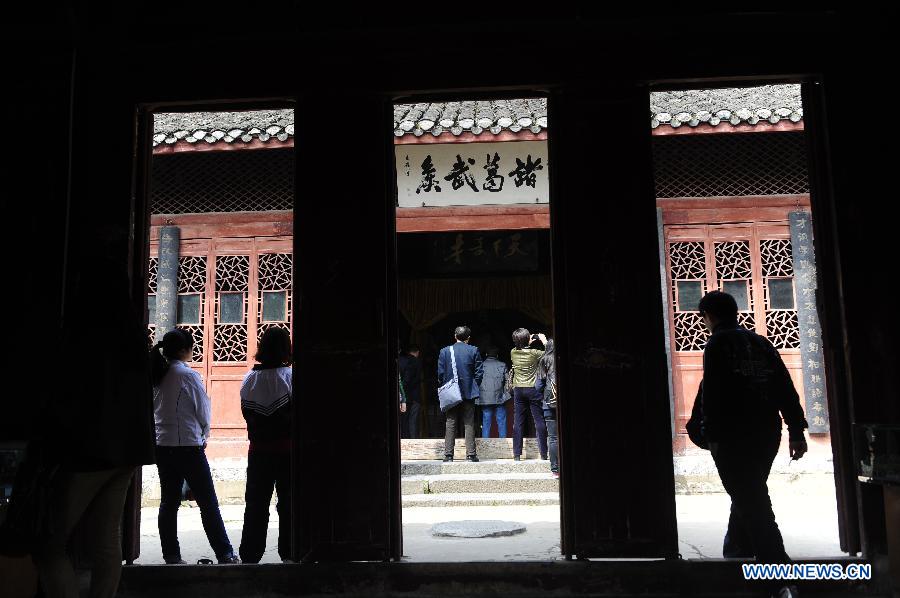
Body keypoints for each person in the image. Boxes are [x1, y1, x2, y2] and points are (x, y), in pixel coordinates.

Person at [32, 226, 156, 598]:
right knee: (106, 540)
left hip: (87, 453)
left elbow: (69, 398)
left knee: (48, 544)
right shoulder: (134, 340)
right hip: (125, 454)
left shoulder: (84, 338)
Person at [690, 291, 808, 598]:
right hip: (767, 434)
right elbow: (784, 384)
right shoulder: (761, 342)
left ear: (708, 317)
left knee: (755, 504)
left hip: (732, 437)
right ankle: (736, 551)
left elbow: (715, 391)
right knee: (749, 493)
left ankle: (782, 579)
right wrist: (796, 429)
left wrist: (709, 434)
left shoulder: (717, 343)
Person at [151, 328, 239, 565]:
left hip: (163, 445)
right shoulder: (187, 375)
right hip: (188, 446)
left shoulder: (158, 373)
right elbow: (203, 410)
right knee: (207, 502)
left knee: (168, 503)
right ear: (184, 350)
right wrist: (204, 435)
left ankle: (171, 555)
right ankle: (225, 554)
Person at [238, 327, 292, 564]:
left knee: (256, 505)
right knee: (289, 504)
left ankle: (250, 554)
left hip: (258, 453)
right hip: (288, 453)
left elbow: (247, 415)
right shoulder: (290, 377)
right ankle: (290, 551)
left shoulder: (249, 379)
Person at [437, 326, 484, 462]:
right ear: (468, 338)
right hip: (469, 391)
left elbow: (440, 374)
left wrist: (446, 385)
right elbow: (479, 373)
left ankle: (448, 455)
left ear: (455, 336)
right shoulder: (473, 350)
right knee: (469, 422)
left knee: (450, 422)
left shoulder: (444, 351)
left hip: (451, 393)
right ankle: (471, 455)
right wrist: (473, 385)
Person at [510, 328, 548, 462]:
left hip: (519, 389)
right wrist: (543, 340)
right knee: (538, 420)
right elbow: (550, 352)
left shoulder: (513, 352)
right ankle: (543, 453)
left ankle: (516, 454)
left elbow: (520, 345)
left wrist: (526, 341)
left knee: (518, 421)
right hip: (533, 389)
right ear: (528, 340)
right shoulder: (535, 353)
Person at [535, 338, 559, 477]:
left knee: (553, 437)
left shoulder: (544, 359)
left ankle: (555, 470)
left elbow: (538, 386)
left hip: (549, 402)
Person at [476, 346, 510, 438]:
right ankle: (503, 444)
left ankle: (485, 444)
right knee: (501, 421)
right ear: (497, 355)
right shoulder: (502, 365)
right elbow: (508, 382)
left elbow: (476, 381)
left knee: (486, 422)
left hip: (485, 398)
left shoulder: (481, 365)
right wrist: (506, 395)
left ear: (486, 355)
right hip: (499, 397)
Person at [398, 345, 422, 438]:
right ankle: (412, 439)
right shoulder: (416, 362)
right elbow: (409, 380)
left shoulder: (403, 361)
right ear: (418, 352)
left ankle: (404, 438)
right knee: (413, 420)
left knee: (404, 419)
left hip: (405, 395)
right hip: (413, 395)